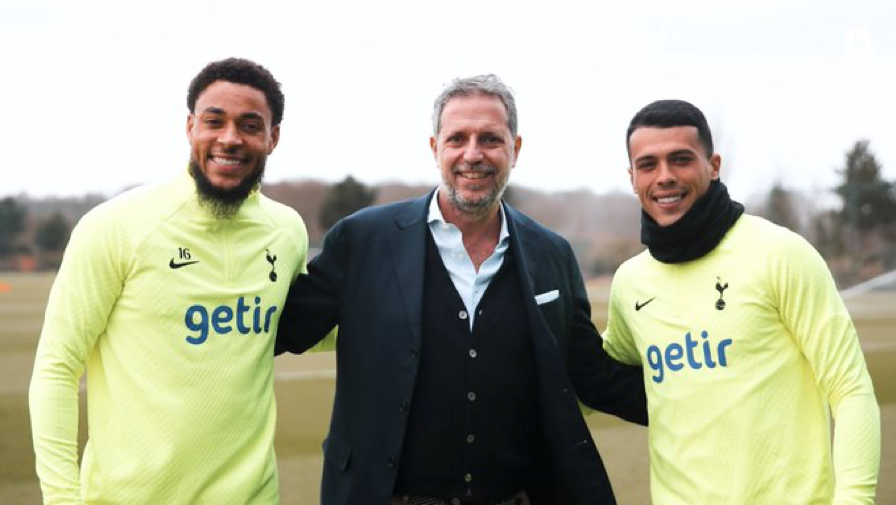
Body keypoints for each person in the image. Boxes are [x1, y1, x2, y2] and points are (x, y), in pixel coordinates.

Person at [275, 74, 647, 505]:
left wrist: (701, 394)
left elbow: (590, 374)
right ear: (436, 148)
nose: (473, 154)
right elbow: (279, 329)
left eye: (490, 138)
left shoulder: (552, 253)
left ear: (515, 148)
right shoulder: (361, 241)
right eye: (457, 139)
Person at [29, 58, 307, 504]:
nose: (230, 139)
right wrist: (62, 498)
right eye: (214, 121)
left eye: (250, 125)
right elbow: (56, 369)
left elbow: (311, 325)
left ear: (273, 137)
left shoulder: (287, 230)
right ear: (190, 127)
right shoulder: (116, 226)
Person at [602, 99, 881, 503]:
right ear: (632, 177)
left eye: (680, 159)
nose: (664, 177)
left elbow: (851, 389)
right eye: (648, 165)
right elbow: (598, 374)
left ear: (713, 165)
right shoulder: (631, 282)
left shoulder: (780, 253)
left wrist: (855, 499)